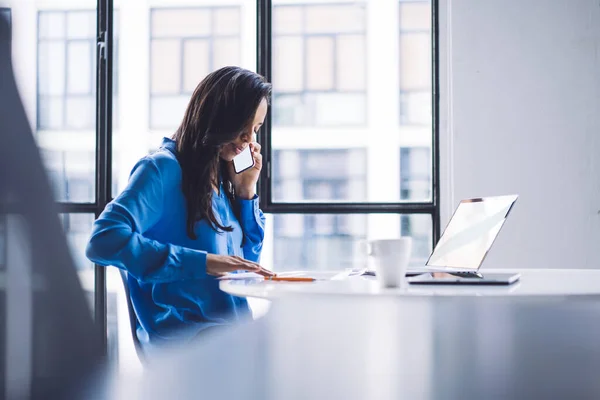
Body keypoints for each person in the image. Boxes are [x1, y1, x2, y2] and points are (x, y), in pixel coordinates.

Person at [86, 66, 275, 347]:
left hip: (230, 336)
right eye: (243, 126)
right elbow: (102, 241)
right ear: (218, 117)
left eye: (255, 129)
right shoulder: (162, 169)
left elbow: (244, 269)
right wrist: (204, 262)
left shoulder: (222, 179)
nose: (249, 138)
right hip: (188, 341)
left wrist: (246, 192)